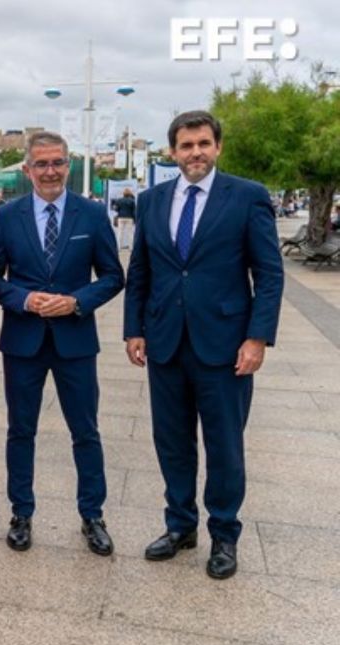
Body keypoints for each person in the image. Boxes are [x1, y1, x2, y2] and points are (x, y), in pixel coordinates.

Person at [124, 111, 284, 580]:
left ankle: (225, 535)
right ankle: (180, 526)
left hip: (226, 347)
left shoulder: (247, 196)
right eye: (186, 145)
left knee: (224, 446)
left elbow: (269, 274)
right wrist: (134, 329)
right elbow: (141, 272)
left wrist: (257, 337)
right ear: (172, 151)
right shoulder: (152, 200)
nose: (195, 152)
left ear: (218, 147)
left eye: (203, 143)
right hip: (166, 344)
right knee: (171, 442)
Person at [0, 131, 124, 557]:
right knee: (20, 431)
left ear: (69, 165)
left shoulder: (91, 215)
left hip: (75, 342)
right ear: (27, 169)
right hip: (23, 342)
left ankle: (93, 516)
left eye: (58, 163)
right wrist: (24, 298)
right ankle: (21, 513)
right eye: (42, 164)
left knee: (85, 431)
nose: (50, 171)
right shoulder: (7, 216)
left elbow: (113, 276)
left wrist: (77, 301)